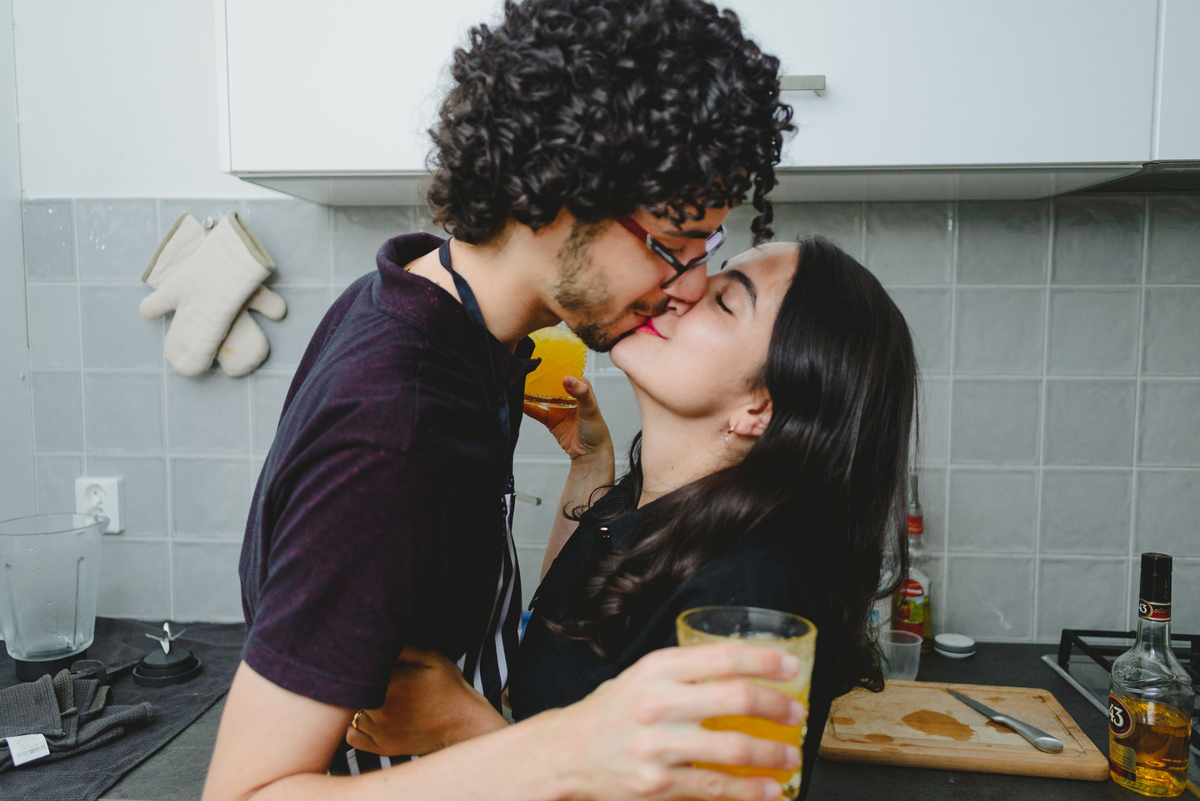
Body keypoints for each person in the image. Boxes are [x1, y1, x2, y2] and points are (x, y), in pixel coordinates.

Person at [201, 0, 800, 799]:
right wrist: (568, 749)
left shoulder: (466, 330)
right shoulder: (394, 427)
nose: (689, 286)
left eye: (707, 252)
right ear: (563, 192)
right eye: (673, 247)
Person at [351, 238, 918, 800]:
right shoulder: (654, 502)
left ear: (759, 408)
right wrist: (588, 464)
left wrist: (466, 729)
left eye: (724, 301)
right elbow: (566, 642)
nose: (681, 289)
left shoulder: (755, 592)